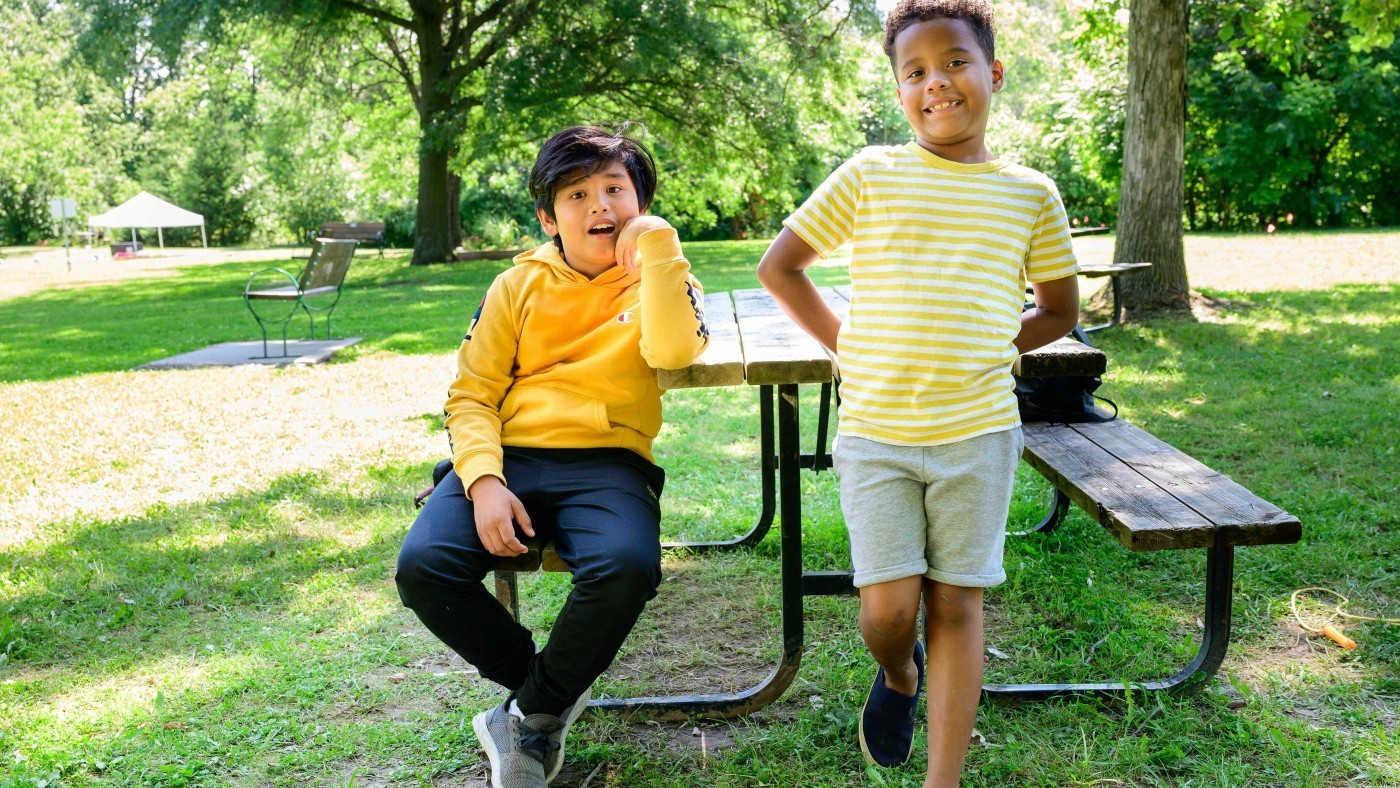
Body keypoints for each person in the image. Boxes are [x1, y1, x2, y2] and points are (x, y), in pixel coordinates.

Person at [757, 1, 1081, 784]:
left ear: (994, 73)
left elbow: (1061, 310)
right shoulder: (872, 173)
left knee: (957, 605)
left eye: (956, 62)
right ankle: (901, 675)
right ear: (900, 90)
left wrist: (993, 345)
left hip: (978, 434)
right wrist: (849, 345)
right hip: (876, 435)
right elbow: (781, 266)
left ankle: (944, 780)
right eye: (916, 72)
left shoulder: (1031, 193)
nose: (937, 82)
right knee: (888, 611)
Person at [395, 125, 709, 788]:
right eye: (577, 194)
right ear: (548, 217)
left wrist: (659, 248)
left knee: (626, 566)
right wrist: (481, 482)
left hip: (609, 461)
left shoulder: (664, 275)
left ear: (641, 202)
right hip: (506, 458)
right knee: (424, 567)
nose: (600, 206)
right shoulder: (517, 286)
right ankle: (546, 691)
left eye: (616, 190)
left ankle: (530, 712)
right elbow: (472, 394)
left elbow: (677, 351)